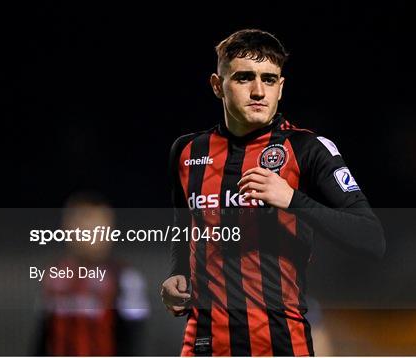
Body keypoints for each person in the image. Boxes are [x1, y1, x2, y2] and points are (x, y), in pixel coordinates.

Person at [161, 29, 385, 356]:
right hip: (204, 343)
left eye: (269, 79)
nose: (257, 91)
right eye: (243, 78)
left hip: (279, 343)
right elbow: (186, 228)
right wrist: (176, 276)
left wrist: (293, 199)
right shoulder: (187, 152)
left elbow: (371, 238)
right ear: (216, 85)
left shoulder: (307, 149)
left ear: (281, 88)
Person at [35, 192, 150, 355]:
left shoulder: (124, 278)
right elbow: (43, 338)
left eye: (97, 225)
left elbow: (131, 340)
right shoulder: (54, 276)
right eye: (81, 224)